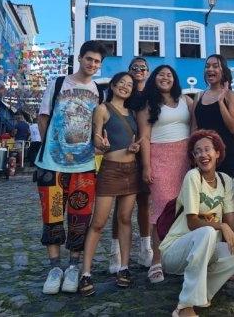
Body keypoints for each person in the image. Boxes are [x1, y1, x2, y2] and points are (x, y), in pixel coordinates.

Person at [35, 40, 106, 295]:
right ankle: (55, 268)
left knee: (80, 217)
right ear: (80, 58)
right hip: (51, 163)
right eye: (89, 59)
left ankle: (74, 266)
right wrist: (51, 146)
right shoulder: (57, 83)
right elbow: (43, 117)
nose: (92, 64)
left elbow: (100, 126)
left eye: (97, 61)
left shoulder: (100, 91)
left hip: (85, 165)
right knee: (52, 216)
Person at [160, 130, 234, 317]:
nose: (203, 155)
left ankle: (202, 295)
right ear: (194, 158)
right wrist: (220, 226)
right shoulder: (193, 177)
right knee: (208, 232)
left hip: (204, 247)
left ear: (217, 153)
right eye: (197, 152)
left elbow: (230, 220)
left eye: (207, 150)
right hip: (176, 249)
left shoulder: (226, 181)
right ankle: (185, 306)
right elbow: (192, 222)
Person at [79, 72, 143, 295]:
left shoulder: (133, 113)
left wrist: (135, 149)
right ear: (113, 85)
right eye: (122, 83)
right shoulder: (103, 109)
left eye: (130, 85)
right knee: (98, 222)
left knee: (125, 219)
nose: (126, 87)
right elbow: (96, 137)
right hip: (110, 170)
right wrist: (101, 143)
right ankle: (85, 272)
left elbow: (134, 141)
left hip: (131, 170)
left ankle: (124, 267)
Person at [137, 65, 193, 284]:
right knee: (161, 209)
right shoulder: (147, 105)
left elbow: (194, 129)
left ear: (174, 79)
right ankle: (157, 261)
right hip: (159, 157)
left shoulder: (186, 101)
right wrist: (146, 167)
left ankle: (180, 257)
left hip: (184, 158)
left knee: (185, 208)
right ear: (154, 79)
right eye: (161, 74)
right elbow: (144, 138)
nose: (165, 78)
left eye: (169, 75)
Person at [108, 57, 154, 274]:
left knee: (144, 203)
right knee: (121, 207)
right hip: (122, 156)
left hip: (145, 154)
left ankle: (146, 249)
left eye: (142, 68)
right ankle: (114, 251)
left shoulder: (151, 96)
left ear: (147, 71)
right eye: (134, 68)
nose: (138, 71)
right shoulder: (124, 96)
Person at [191, 54, 234, 178]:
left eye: (215, 66)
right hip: (204, 157)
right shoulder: (199, 96)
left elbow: (233, 127)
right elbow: (193, 128)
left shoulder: (230, 95)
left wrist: (220, 102)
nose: (210, 69)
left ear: (223, 70)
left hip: (226, 154)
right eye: (207, 66)